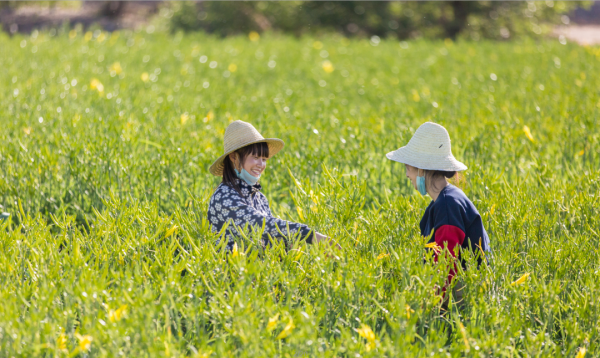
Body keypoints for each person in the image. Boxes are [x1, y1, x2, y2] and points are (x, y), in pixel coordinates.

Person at [386, 122, 491, 309]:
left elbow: (446, 262)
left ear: (421, 168)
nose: (407, 175)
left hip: (464, 294)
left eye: (408, 168)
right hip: (464, 289)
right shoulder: (444, 201)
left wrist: (432, 307)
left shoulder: (447, 205)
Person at [207, 120, 331, 251]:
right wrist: (309, 235)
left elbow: (273, 237)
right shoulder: (224, 197)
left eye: (264, 159)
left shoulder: (259, 197)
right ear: (233, 157)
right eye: (255, 157)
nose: (261, 165)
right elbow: (262, 225)